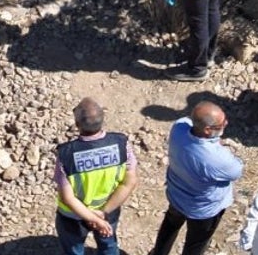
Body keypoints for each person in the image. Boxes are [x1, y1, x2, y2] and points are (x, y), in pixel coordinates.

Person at [149, 101, 243, 255]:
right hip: (203, 210)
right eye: (222, 123)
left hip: (176, 196)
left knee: (169, 227)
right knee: (196, 244)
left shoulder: (178, 128)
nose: (226, 123)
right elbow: (236, 171)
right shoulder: (217, 158)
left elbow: (187, 120)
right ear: (207, 130)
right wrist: (218, 146)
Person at [52, 97, 139, 255]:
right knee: (109, 246)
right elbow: (129, 183)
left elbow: (68, 198)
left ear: (77, 124)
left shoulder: (66, 154)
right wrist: (102, 215)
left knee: (74, 249)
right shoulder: (121, 144)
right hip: (108, 210)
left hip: (73, 216)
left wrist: (94, 219)